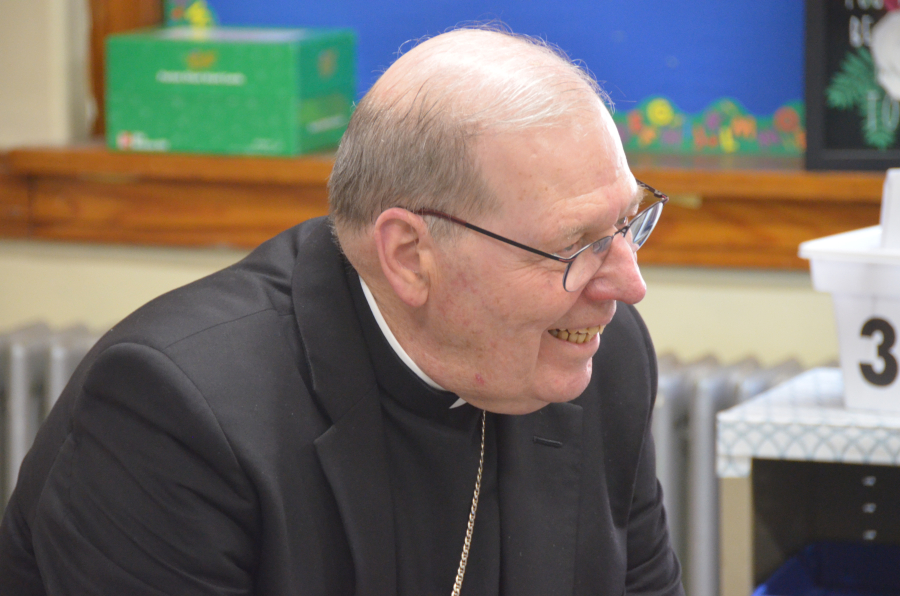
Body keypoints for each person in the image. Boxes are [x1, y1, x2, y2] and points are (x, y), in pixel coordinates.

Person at [0, 26, 683, 596]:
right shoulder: (179, 414)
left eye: (628, 223)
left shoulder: (603, 354)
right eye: (577, 245)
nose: (628, 285)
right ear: (409, 254)